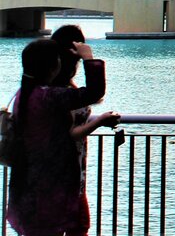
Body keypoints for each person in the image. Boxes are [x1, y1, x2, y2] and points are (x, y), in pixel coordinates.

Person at [5, 37, 112, 236]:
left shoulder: (24, 95)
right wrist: (88, 57)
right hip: (49, 187)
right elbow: (94, 92)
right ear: (53, 66)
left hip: (26, 184)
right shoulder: (49, 97)